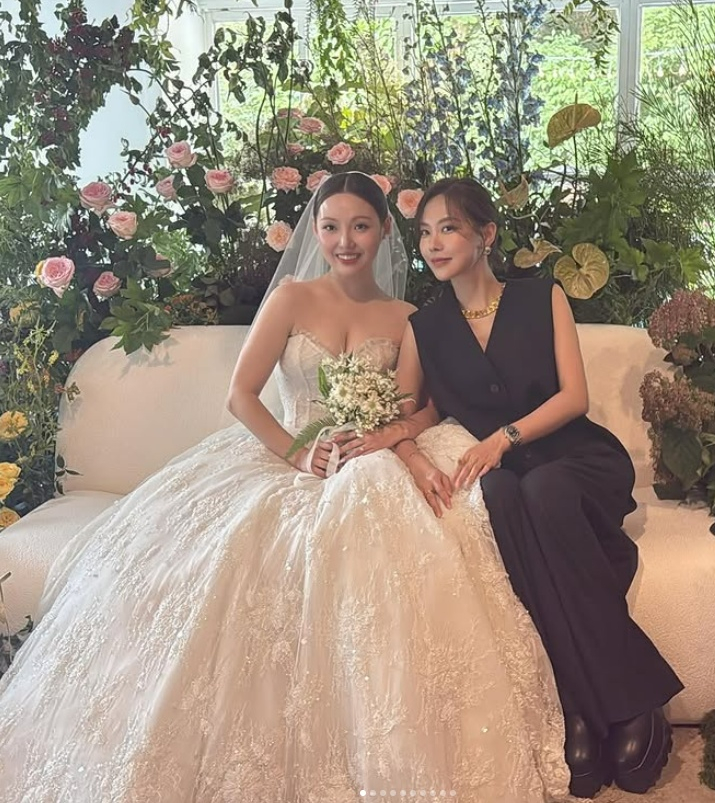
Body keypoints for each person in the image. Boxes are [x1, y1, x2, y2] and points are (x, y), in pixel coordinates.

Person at [0, 173, 572, 802]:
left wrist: (393, 445)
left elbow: (411, 409)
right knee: (227, 554)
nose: (345, 241)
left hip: (368, 460)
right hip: (286, 456)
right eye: (331, 227)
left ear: (385, 231)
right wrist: (300, 453)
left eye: (360, 226)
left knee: (402, 521)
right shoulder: (292, 300)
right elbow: (241, 396)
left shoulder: (408, 319)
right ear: (316, 233)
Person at [351, 177, 684, 798]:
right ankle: (579, 702)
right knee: (502, 497)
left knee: (544, 491)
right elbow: (411, 413)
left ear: (486, 234)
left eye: (449, 228)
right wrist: (403, 449)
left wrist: (504, 437)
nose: (433, 243)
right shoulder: (425, 328)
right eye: (425, 232)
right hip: (507, 478)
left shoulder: (541, 296)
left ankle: (624, 699)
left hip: (575, 459)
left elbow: (573, 397)